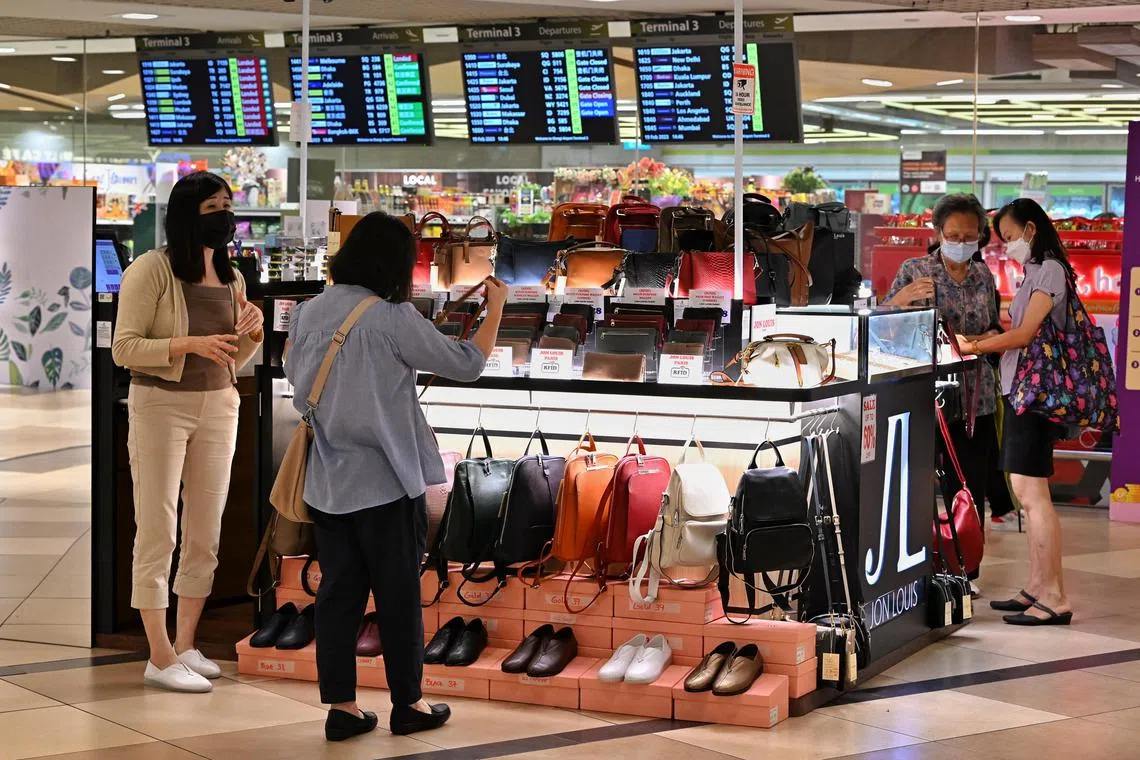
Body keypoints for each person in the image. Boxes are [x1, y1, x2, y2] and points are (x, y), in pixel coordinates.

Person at [283, 212, 507, 741]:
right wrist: (494, 309)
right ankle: (410, 703)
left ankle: (342, 707)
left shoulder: (310, 312)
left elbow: (297, 378)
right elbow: (467, 363)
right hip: (385, 481)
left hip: (329, 479)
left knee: (337, 596)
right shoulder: (391, 315)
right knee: (398, 596)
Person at [111, 171, 264, 692]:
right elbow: (124, 347)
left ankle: (186, 643)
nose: (224, 216)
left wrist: (253, 334)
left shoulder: (233, 277)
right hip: (159, 406)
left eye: (228, 205)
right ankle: (157, 655)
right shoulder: (150, 271)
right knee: (158, 529)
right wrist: (185, 345)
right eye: (213, 207)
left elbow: (232, 357)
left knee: (206, 532)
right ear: (186, 215)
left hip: (220, 404)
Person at [958, 198, 1074, 626]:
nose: (1007, 246)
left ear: (1030, 229)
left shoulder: (1049, 271)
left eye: (1009, 237)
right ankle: (1037, 587)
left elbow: (1024, 335)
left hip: (1035, 396)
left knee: (1033, 496)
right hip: (1023, 392)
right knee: (1027, 495)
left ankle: (1055, 597)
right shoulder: (1035, 272)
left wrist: (975, 345)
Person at [883, 193, 1007, 589]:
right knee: (914, 483)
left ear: (980, 238)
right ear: (938, 233)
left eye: (969, 235)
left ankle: (966, 571)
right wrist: (899, 301)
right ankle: (913, 567)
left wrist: (983, 340)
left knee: (967, 486)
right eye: (952, 234)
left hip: (975, 398)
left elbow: (992, 328)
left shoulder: (983, 275)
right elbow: (883, 326)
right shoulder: (915, 270)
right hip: (924, 396)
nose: (960, 241)